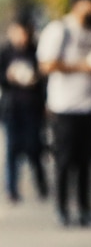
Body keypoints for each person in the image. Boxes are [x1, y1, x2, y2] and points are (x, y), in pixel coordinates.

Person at [36, 0, 91, 227]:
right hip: (64, 108)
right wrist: (81, 67)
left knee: (87, 162)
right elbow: (46, 65)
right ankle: (63, 208)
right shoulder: (60, 30)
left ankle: (86, 209)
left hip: (90, 106)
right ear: (79, 4)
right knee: (65, 162)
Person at [0, 19, 48, 204]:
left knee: (34, 148)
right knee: (12, 150)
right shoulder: (5, 53)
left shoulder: (36, 52)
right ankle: (11, 189)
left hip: (33, 108)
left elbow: (44, 78)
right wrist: (8, 76)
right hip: (12, 108)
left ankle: (41, 184)